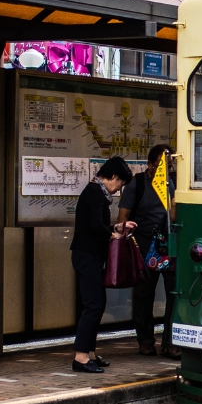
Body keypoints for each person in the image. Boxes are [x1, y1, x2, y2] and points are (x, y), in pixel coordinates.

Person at [72, 156, 133, 372]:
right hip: (88, 256)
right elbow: (97, 226)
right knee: (93, 305)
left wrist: (116, 229)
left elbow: (98, 226)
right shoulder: (96, 193)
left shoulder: (95, 191)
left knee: (95, 304)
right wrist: (113, 235)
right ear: (114, 177)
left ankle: (89, 353)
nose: (119, 189)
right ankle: (80, 357)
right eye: (120, 184)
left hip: (89, 255)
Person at [119, 144, 179, 357]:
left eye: (170, 167)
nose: (166, 171)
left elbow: (173, 218)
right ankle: (145, 341)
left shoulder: (173, 183)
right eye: (162, 166)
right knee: (144, 294)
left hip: (169, 244)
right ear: (150, 164)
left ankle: (170, 342)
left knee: (174, 292)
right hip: (144, 244)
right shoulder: (137, 184)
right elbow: (123, 216)